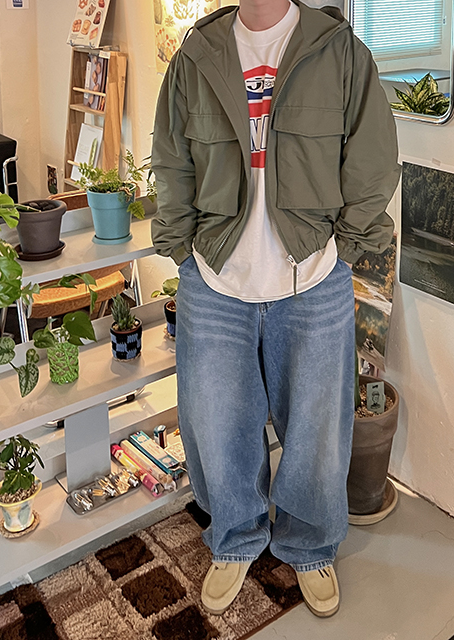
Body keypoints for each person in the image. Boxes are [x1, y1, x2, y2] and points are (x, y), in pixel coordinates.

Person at [151, 0, 400, 618]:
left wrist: (344, 247)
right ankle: (235, 536)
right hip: (215, 279)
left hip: (312, 277)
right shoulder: (196, 57)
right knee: (216, 424)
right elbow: (173, 159)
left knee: (318, 430)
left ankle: (311, 545)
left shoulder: (339, 52)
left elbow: (372, 159)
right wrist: (182, 252)